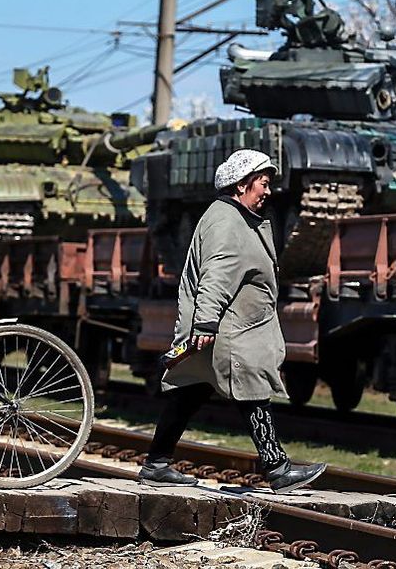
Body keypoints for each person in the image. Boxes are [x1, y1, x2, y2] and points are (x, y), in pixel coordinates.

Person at [139, 149, 326, 494]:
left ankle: (156, 463)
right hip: (229, 330)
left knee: (189, 392)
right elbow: (217, 276)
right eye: (263, 184)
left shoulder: (235, 217)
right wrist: (207, 324)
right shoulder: (228, 222)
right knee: (252, 391)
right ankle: (278, 468)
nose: (268, 192)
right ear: (242, 185)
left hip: (230, 326)